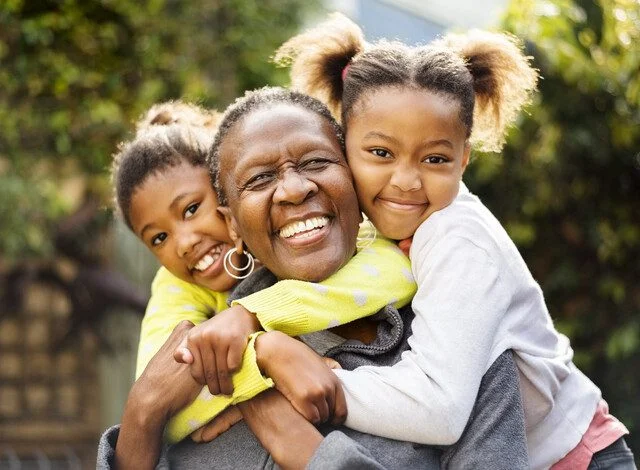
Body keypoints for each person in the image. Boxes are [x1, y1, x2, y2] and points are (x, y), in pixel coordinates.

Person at [97, 86, 529, 469]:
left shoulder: (458, 348)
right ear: (232, 224)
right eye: (260, 178)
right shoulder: (206, 364)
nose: (293, 189)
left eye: (317, 162)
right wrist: (144, 411)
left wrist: (306, 450)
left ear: (356, 181)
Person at [273, 13, 635, 469]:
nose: (405, 181)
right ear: (343, 144)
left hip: (578, 459)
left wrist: (331, 383)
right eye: (381, 153)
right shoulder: (371, 229)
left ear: (464, 159)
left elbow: (440, 409)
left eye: (435, 158)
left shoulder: (457, 240)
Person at [110, 100, 417, 442]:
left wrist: (252, 317)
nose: (183, 243)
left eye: (192, 208)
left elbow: (398, 270)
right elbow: (159, 391)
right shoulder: (176, 286)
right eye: (159, 237)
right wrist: (263, 364)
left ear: (228, 192)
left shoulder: (335, 230)